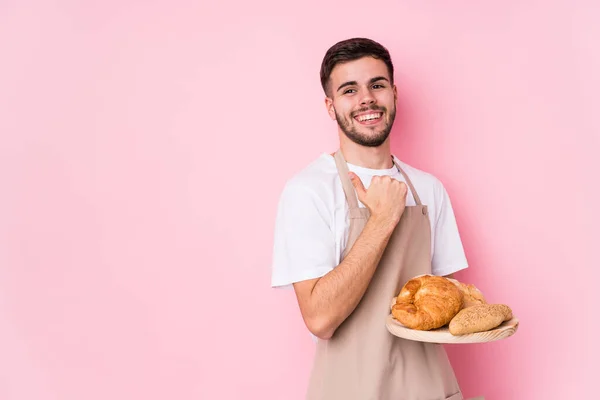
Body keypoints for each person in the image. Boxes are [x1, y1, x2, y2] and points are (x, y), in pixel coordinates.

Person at [271, 37, 469, 400]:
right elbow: (319, 319)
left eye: (377, 85)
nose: (367, 99)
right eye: (350, 90)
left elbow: (446, 303)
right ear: (330, 107)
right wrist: (382, 219)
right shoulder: (308, 190)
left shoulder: (429, 189)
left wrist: (488, 319)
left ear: (394, 93)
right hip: (350, 389)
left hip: (431, 387)